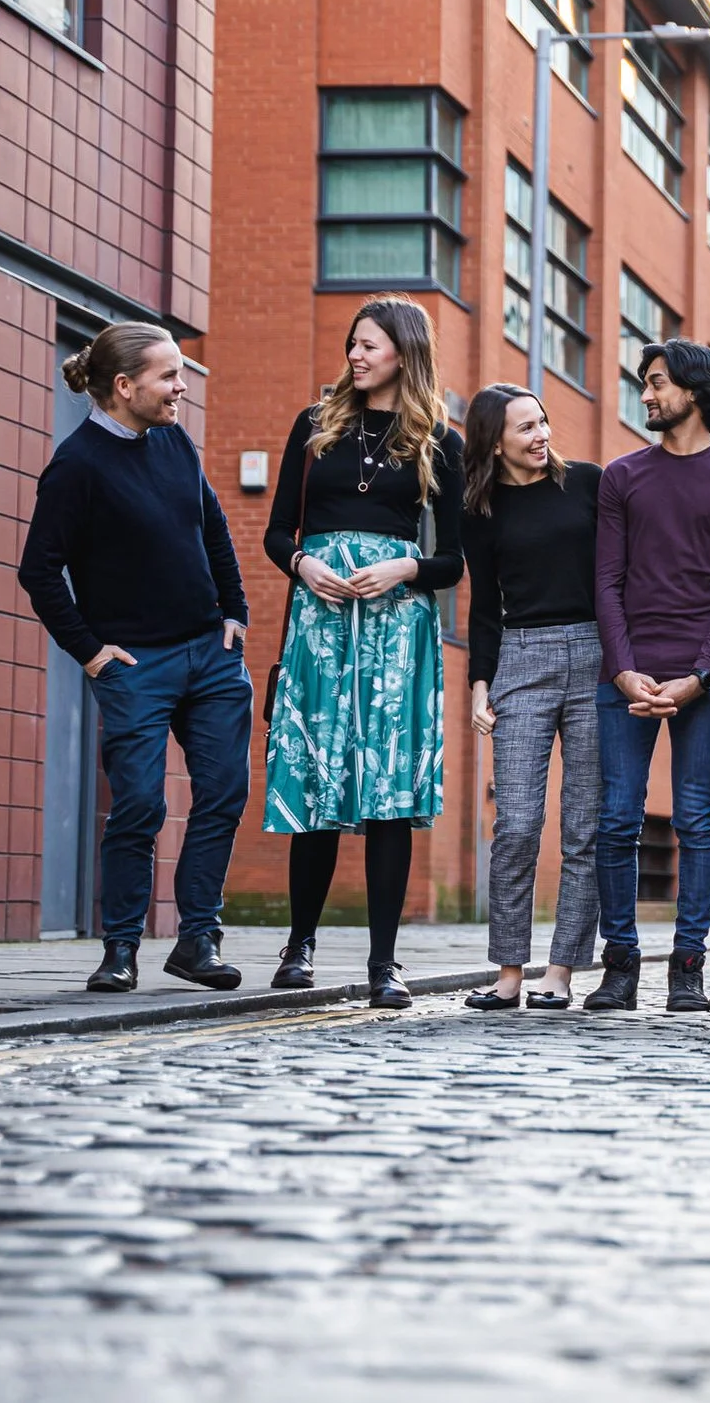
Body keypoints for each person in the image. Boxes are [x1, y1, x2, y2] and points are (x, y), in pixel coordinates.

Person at [19, 323, 252, 994]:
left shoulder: (173, 440)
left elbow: (212, 525)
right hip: (135, 666)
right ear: (125, 387)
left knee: (222, 793)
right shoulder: (77, 465)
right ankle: (119, 947)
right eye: (169, 375)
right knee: (141, 803)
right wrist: (90, 652)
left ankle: (198, 938)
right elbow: (39, 570)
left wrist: (233, 611)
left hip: (209, 655)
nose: (182, 385)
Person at [262, 297, 466, 1011]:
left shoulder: (440, 441)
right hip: (319, 623)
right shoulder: (313, 427)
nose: (355, 354)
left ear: (404, 354)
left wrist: (406, 568)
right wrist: (300, 565)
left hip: (396, 631)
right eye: (352, 343)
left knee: (388, 793)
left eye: (369, 345)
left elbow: (454, 562)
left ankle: (385, 962)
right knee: (315, 783)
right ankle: (299, 947)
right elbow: (274, 532)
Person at [585, 339, 710, 1014]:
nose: (648, 394)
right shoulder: (621, 476)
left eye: (657, 382)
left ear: (693, 391)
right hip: (625, 675)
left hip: (703, 679)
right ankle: (621, 964)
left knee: (696, 817)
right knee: (616, 818)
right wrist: (627, 670)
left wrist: (698, 674)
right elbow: (606, 580)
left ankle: (687, 965)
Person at [460, 384, 603, 1013]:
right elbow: (485, 606)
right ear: (496, 441)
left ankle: (562, 972)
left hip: (597, 656)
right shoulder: (480, 510)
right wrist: (479, 683)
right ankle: (509, 973)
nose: (541, 434)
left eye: (543, 422)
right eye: (525, 427)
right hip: (521, 657)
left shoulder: (590, 485)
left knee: (584, 828)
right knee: (515, 824)